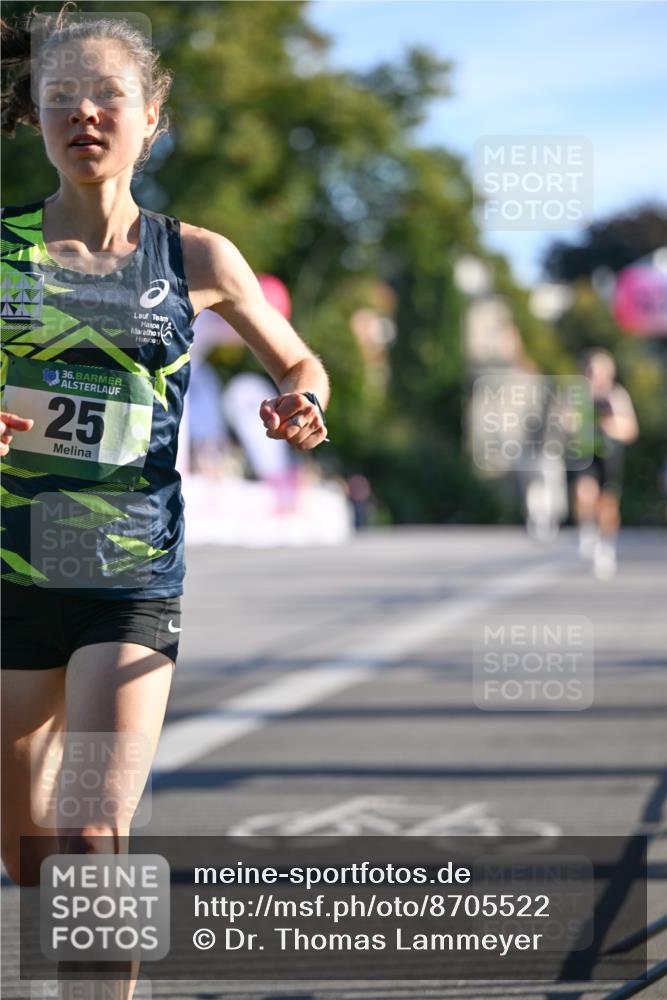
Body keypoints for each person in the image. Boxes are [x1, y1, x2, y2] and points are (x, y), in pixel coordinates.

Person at [0, 6, 330, 996]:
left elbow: (300, 361)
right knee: (30, 857)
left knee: (93, 835)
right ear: (34, 115)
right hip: (12, 575)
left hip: (131, 578)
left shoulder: (198, 259)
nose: (83, 113)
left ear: (152, 117)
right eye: (60, 96)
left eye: (107, 95)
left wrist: (303, 402)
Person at [573, 349, 638, 579]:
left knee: (607, 505)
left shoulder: (617, 396)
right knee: (584, 492)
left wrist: (612, 426)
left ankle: (606, 545)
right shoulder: (579, 395)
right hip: (586, 455)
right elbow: (564, 421)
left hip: (609, 456)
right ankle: (587, 528)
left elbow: (631, 430)